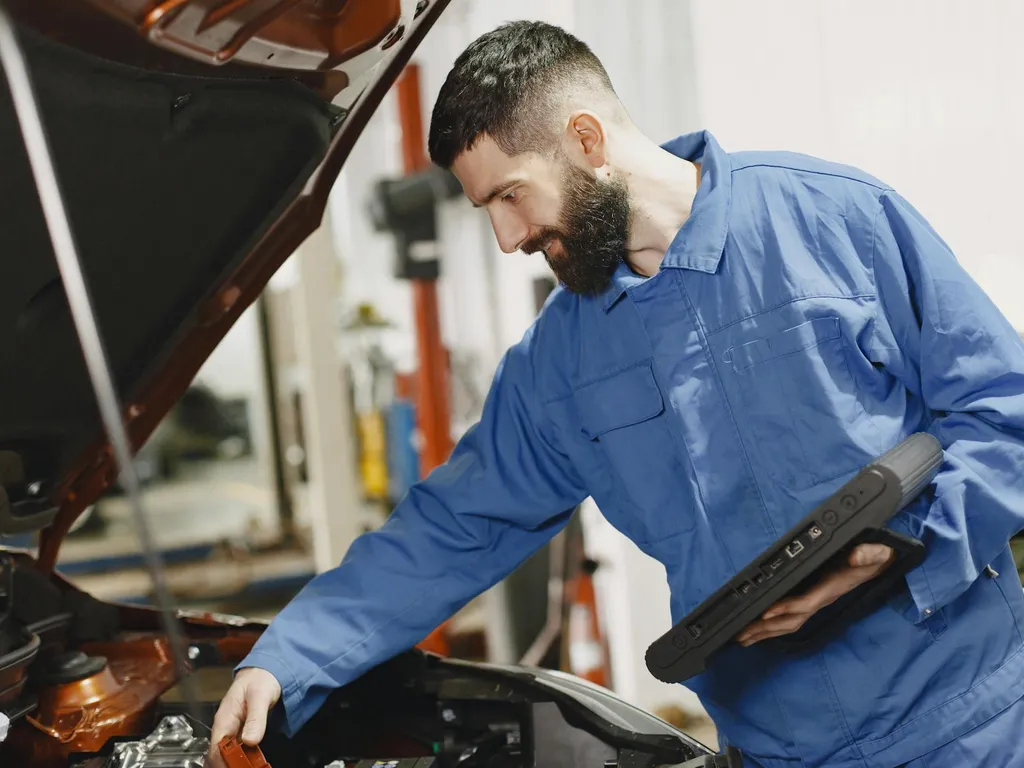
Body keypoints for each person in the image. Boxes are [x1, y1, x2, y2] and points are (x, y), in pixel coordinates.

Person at [209, 21, 1024, 768]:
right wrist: (293, 653)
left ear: (587, 140)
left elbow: (1006, 413)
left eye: (509, 195)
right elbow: (454, 526)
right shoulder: (558, 364)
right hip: (779, 749)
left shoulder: (831, 223)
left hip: (968, 724)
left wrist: (906, 555)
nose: (506, 237)